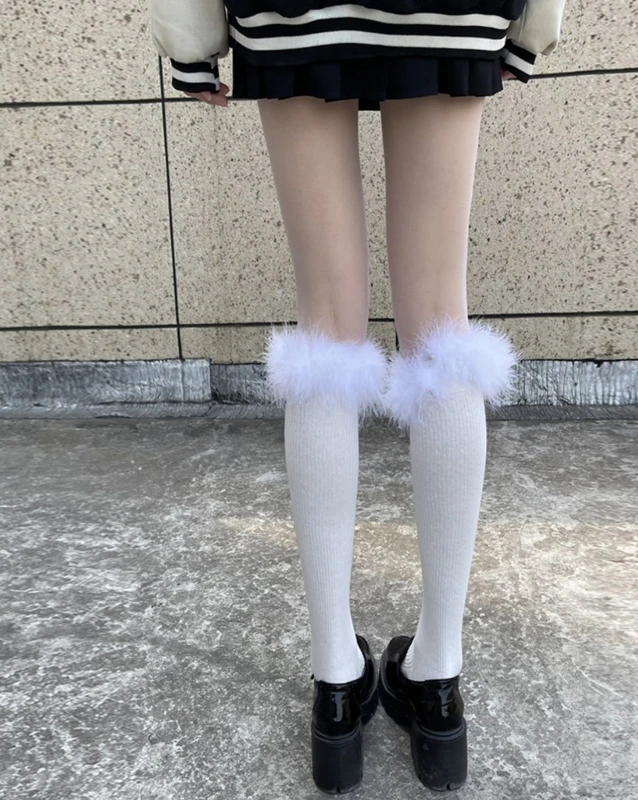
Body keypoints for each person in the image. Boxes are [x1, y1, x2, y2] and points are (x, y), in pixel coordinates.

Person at [149, 0, 566, 792]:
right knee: (440, 327)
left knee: (327, 330)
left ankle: (337, 680)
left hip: (294, 13)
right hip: (450, 9)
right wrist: (528, 32)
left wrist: (193, 44)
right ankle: (437, 676)